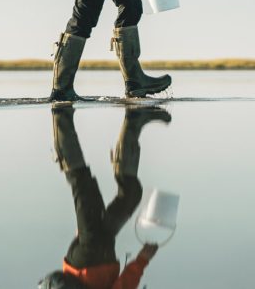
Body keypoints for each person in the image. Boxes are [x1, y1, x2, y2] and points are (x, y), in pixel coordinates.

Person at [38, 104, 171, 288]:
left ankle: (61, 113)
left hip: (90, 258)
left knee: (82, 184)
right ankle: (134, 121)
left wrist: (142, 260)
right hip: (99, 251)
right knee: (130, 194)